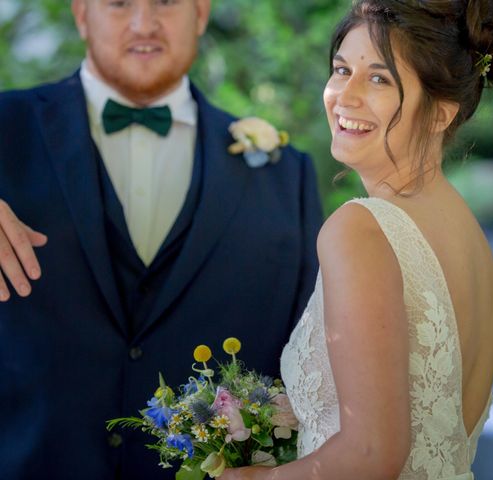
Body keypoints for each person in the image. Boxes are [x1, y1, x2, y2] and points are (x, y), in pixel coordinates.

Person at [0, 0, 322, 479]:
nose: (143, 23)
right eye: (119, 2)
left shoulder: (286, 176)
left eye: (166, 1)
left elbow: (314, 369)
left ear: (201, 13)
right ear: (82, 13)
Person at [220, 0, 493, 479]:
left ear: (440, 113)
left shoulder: (361, 228)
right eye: (341, 69)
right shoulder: (473, 241)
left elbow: (372, 456)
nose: (344, 96)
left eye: (379, 79)